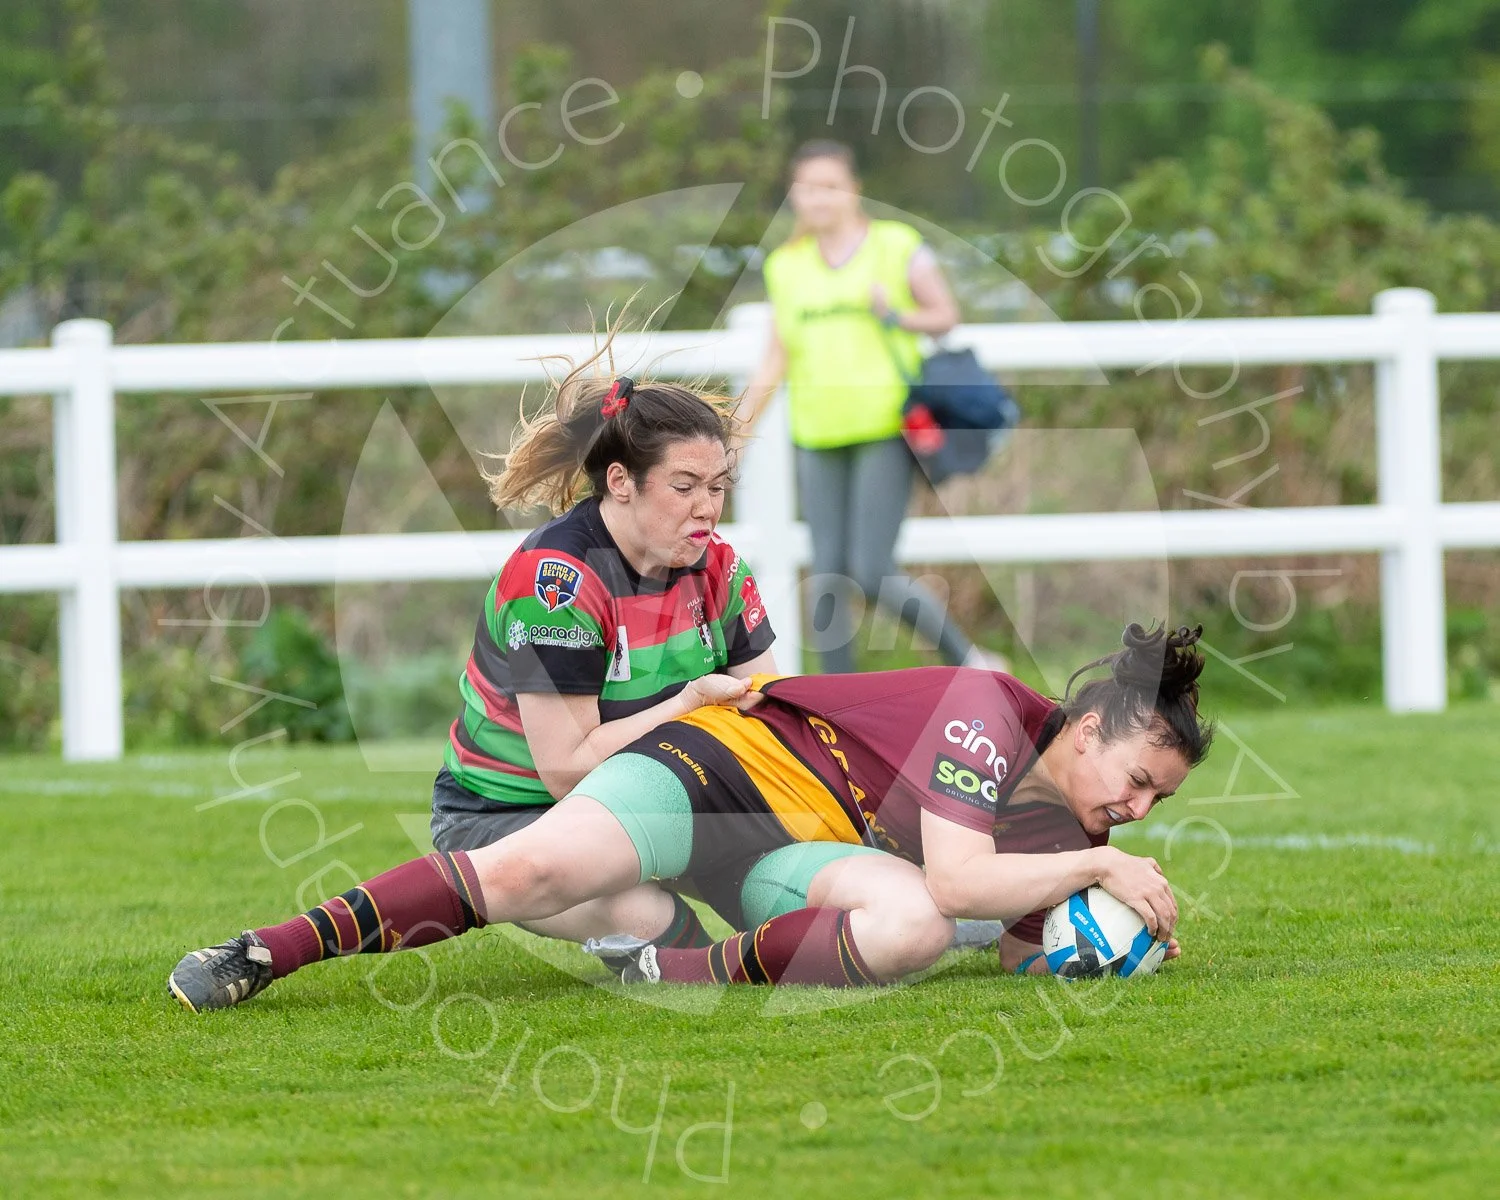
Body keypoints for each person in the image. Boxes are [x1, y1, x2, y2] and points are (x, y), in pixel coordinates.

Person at [168, 625, 1211, 1009]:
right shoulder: (986, 710)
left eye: (1156, 800)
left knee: (912, 931)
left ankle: (666, 969)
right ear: (1088, 727)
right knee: (526, 875)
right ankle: (265, 951)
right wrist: (1101, 876)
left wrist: (1101, 945)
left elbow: (1009, 942)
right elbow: (960, 877)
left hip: (796, 855)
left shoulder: (1078, 835)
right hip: (721, 772)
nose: (1135, 809)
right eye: (1137, 778)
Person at [424, 340, 777, 950]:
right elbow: (566, 771)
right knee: (657, 925)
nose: (707, 509)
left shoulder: (719, 566)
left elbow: (768, 707)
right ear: (620, 482)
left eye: (718, 487)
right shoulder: (556, 583)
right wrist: (689, 704)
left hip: (651, 791)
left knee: (812, 888)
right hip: (511, 815)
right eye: (685, 486)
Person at [741, 139, 1001, 675]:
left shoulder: (896, 245)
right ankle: (833, 704)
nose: (820, 198)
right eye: (808, 188)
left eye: (831, 186)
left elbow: (945, 315)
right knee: (827, 576)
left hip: (884, 428)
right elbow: (775, 358)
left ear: (854, 190)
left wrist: (895, 315)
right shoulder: (785, 266)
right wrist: (736, 431)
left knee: (871, 570)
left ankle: (971, 661)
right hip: (817, 433)